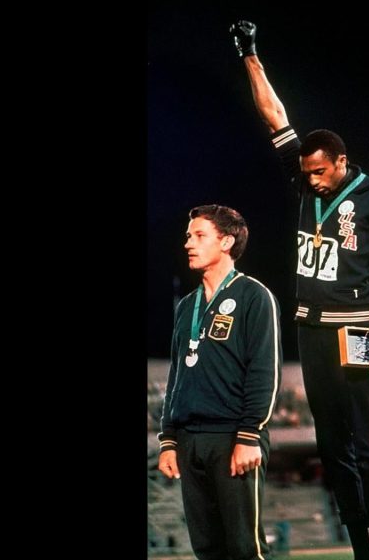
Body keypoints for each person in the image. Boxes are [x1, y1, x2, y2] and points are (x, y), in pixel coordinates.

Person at [229, 20, 369, 560]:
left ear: (341, 162)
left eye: (319, 172)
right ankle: (359, 550)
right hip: (311, 329)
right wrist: (249, 54)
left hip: (359, 329)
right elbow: (275, 117)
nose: (310, 181)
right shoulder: (306, 180)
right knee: (332, 449)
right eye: (305, 173)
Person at [157, 204, 282, 560]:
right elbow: (176, 375)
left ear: (226, 242)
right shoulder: (187, 306)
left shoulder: (254, 296)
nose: (188, 244)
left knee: (245, 548)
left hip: (232, 437)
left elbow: (264, 372)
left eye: (199, 236)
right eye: (188, 236)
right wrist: (168, 439)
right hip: (188, 440)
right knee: (207, 549)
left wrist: (249, 435)